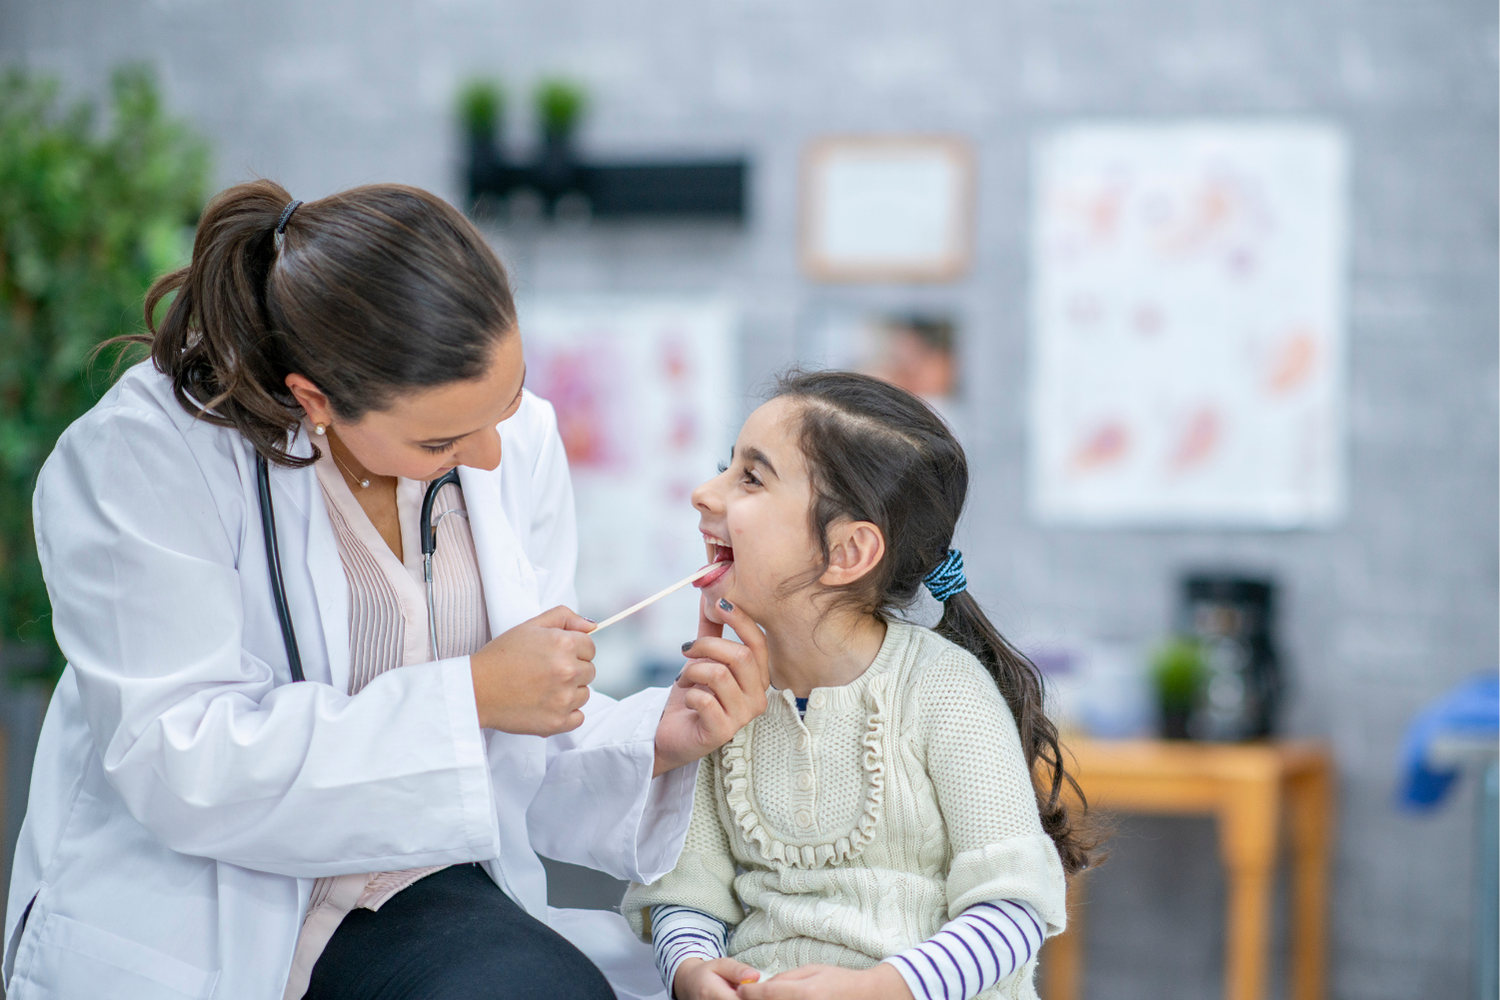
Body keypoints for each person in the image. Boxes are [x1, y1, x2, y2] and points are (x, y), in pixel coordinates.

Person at [3, 179, 769, 1000]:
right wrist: (469, 693)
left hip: (416, 882)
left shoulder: (519, 441)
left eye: (505, 406)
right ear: (315, 400)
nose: (490, 457)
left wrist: (656, 737)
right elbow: (175, 758)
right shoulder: (146, 455)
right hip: (210, 913)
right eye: (441, 440)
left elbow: (521, 753)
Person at [621, 371, 1095, 1000]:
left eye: (751, 478)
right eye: (724, 467)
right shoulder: (718, 698)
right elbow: (687, 892)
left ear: (846, 553)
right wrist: (690, 969)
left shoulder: (946, 690)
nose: (704, 495)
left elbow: (1014, 914)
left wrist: (880, 987)